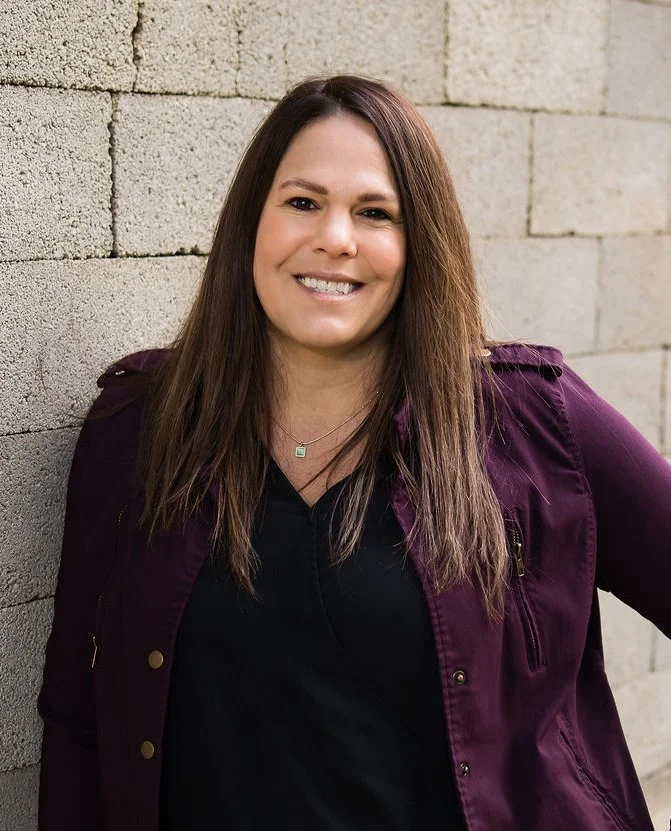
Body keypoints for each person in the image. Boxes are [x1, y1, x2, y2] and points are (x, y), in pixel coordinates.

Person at [37, 75, 670, 831]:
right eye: (302, 202)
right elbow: (77, 716)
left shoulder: (535, 422)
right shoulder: (139, 427)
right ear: (251, 223)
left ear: (417, 246)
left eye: (374, 213)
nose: (334, 237)